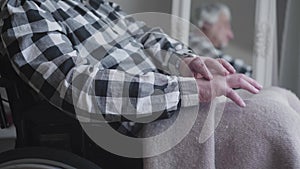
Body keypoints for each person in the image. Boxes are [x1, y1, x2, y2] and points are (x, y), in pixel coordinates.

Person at [1, 1, 300, 168]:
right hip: (137, 123)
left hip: (172, 99)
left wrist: (187, 61)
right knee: (274, 120)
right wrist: (190, 90)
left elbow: (146, 36)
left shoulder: (94, 4)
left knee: (280, 98)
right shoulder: (24, 8)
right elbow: (75, 84)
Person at [190, 3, 252, 76]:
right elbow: (245, 71)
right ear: (207, 24)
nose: (231, 35)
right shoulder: (193, 41)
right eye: (226, 25)